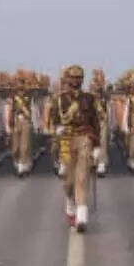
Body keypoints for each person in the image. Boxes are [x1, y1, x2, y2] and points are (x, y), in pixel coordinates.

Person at [47, 65, 99, 232]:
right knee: (69, 181)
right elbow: (53, 120)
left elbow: (95, 122)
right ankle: (70, 200)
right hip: (67, 140)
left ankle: (82, 215)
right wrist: (57, 129)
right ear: (68, 79)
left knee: (82, 177)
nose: (76, 80)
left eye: (79, 78)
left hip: (84, 138)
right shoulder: (60, 99)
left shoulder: (89, 99)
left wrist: (97, 146)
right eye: (73, 77)